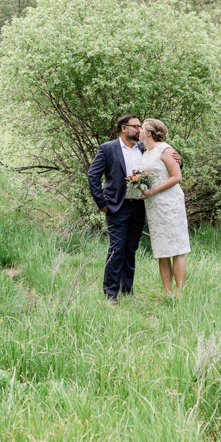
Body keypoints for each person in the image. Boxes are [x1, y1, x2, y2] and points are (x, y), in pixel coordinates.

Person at [86, 114, 179, 302]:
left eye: (140, 126)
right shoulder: (108, 148)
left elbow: (164, 163)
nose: (139, 129)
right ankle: (111, 293)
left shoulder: (144, 147)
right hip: (116, 207)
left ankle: (127, 291)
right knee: (117, 248)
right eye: (135, 126)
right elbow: (92, 175)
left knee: (131, 248)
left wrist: (179, 159)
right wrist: (102, 204)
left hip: (139, 205)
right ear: (123, 128)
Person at [138, 119, 190, 293]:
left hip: (170, 203)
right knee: (162, 249)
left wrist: (153, 191)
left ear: (149, 133)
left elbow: (177, 177)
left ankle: (180, 293)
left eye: (142, 128)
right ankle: (168, 293)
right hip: (154, 207)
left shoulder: (165, 149)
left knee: (177, 248)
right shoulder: (145, 151)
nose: (139, 131)